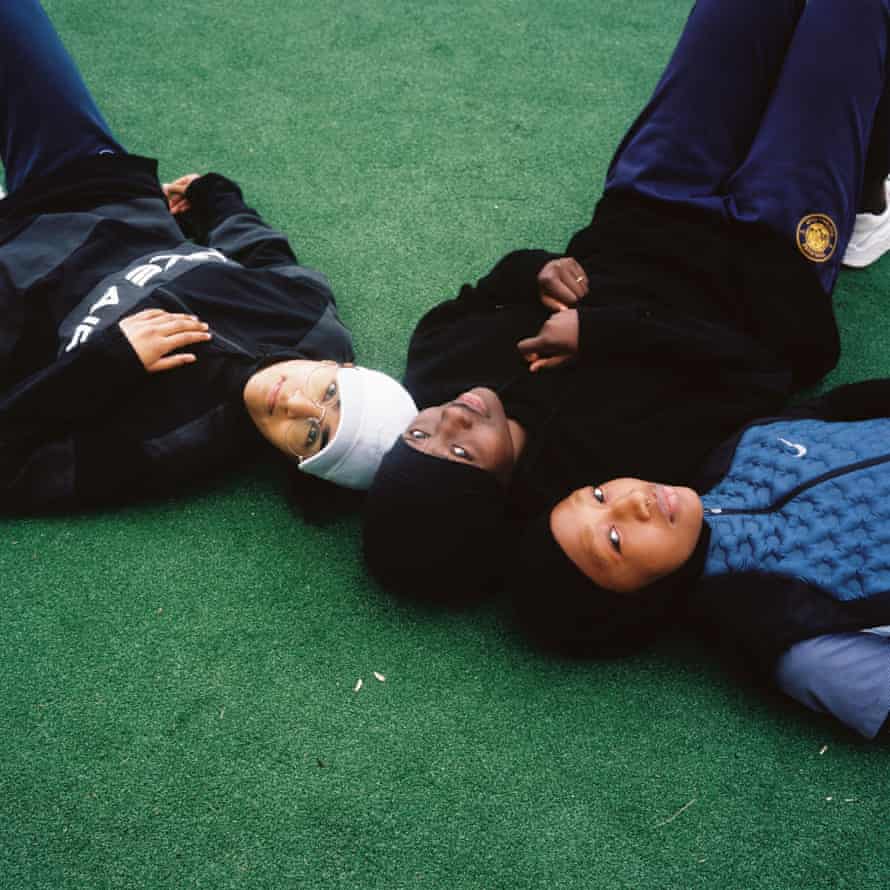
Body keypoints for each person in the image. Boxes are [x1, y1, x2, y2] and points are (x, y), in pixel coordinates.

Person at [363, 0, 890, 600]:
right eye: (461, 451)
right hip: (767, 261)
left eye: (420, 437)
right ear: (498, 494)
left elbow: (482, 293)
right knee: (847, 24)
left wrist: (534, 273)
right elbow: (761, 373)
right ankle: (864, 197)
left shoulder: (437, 369)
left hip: (648, 203)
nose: (449, 419)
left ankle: (866, 188)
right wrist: (606, 332)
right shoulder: (605, 479)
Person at [0, 1, 416, 513]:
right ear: (340, 366)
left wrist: (107, 362)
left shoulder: (174, 445)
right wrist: (214, 200)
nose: (294, 402)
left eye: (312, 435)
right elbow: (265, 252)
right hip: (91, 195)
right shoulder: (308, 319)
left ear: (297, 462)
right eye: (330, 394)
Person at [513, 378, 890, 739]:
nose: (631, 501)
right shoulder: (795, 641)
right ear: (634, 604)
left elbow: (836, 407)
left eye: (598, 496)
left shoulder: (740, 450)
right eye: (614, 539)